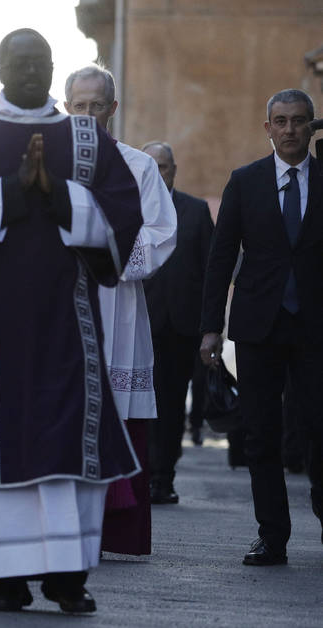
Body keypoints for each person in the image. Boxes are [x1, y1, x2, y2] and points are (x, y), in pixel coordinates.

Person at [0, 29, 142, 613]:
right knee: (0, 442)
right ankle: (6, 580)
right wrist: (13, 194)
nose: (30, 72)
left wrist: (62, 195)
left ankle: (68, 577)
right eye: (19, 63)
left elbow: (124, 211)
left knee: (66, 445)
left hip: (68, 330)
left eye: (40, 62)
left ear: (52, 67)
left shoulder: (87, 138)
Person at [200, 88, 323, 566]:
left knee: (319, 425)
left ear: (311, 128)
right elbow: (221, 256)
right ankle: (272, 536)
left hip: (316, 328)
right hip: (258, 328)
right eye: (281, 120)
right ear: (267, 127)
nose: (290, 129)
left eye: (299, 121)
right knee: (260, 433)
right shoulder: (245, 181)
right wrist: (210, 327)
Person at [64, 64, 176, 556]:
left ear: (113, 108)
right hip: (58, 310)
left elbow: (160, 232)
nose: (88, 114)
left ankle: (115, 532)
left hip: (117, 307)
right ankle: (60, 531)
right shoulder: (44, 163)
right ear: (67, 107)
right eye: (79, 105)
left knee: (119, 417)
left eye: (97, 105)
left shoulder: (139, 167)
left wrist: (104, 251)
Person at [141, 141, 213, 504]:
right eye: (151, 165)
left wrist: (210, 327)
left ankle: (163, 478)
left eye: (164, 166)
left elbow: (211, 270)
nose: (158, 172)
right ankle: (136, 477)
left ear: (174, 170)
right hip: (139, 324)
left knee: (170, 406)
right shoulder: (127, 207)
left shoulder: (196, 211)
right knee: (138, 403)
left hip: (182, 327)